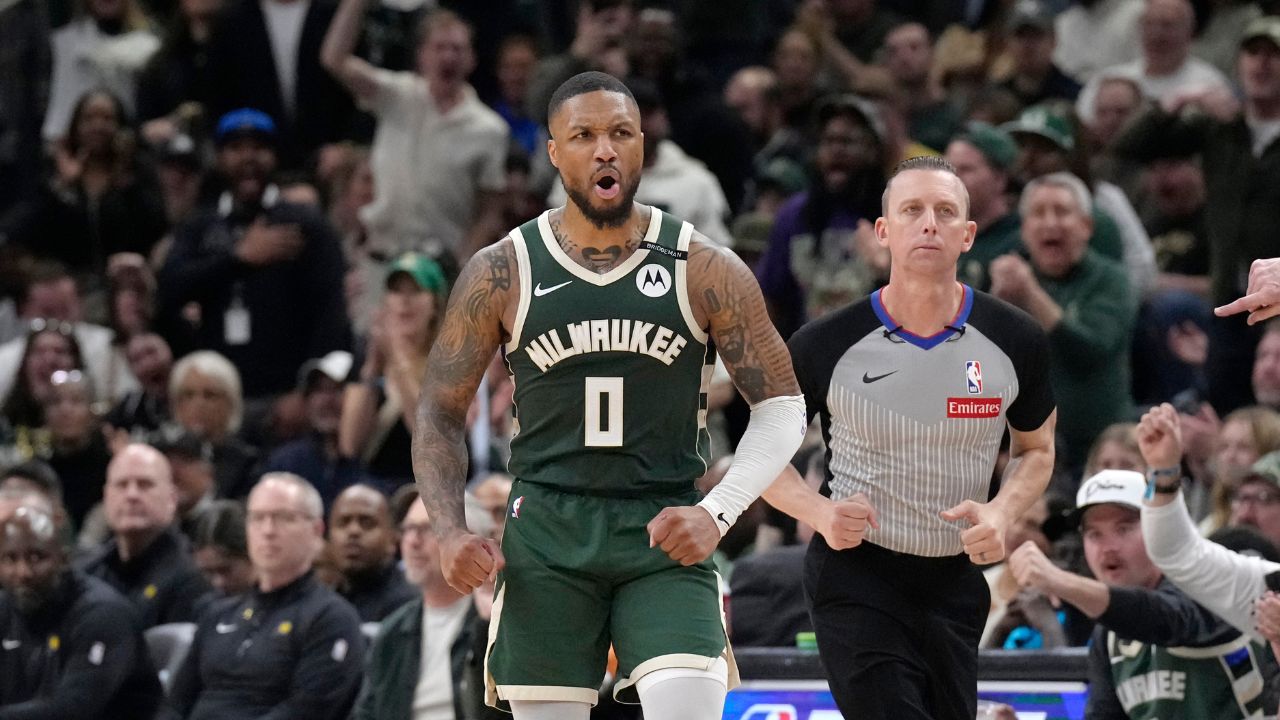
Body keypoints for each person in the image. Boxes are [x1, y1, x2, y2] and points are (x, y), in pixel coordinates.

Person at [411, 71, 806, 720]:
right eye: (584, 135)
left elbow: (784, 406)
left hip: (662, 524)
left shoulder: (704, 266)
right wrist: (450, 529)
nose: (604, 150)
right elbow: (439, 411)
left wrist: (719, 511)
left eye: (621, 133)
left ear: (643, 147)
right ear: (553, 151)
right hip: (546, 528)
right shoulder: (502, 270)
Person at [762, 156, 1057, 720]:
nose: (929, 224)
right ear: (883, 231)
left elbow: (1036, 450)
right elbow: (762, 458)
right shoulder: (824, 342)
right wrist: (818, 513)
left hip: (955, 579)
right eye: (912, 211)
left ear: (968, 235)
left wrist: (1001, 512)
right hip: (855, 575)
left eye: (946, 212)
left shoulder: (1015, 338)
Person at [1008, 469, 1267, 718]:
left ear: (1164, 528)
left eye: (1124, 529)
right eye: (1094, 534)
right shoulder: (1108, 634)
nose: (1108, 548)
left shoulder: (1211, 585)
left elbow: (1165, 618)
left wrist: (1062, 582)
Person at [166, 472, 365, 719]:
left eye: (284, 518)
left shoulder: (331, 619)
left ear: (316, 531)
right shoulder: (216, 614)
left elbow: (306, 712)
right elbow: (175, 704)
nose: (268, 530)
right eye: (258, 518)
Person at [0, 498, 164, 718]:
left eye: (36, 557)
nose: (23, 572)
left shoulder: (103, 614)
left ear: (65, 559)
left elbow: (74, 710)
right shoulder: (5, 608)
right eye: (10, 559)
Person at [350, 485, 499, 720]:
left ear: (469, 541)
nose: (412, 541)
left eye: (428, 529)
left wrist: (485, 627)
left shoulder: (497, 621)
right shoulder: (392, 631)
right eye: (408, 529)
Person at [81, 443, 211, 627]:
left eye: (145, 484)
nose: (131, 495)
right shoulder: (85, 571)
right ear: (106, 497)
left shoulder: (193, 579)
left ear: (171, 499)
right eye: (121, 485)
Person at [328, 483, 415, 622]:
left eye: (367, 523)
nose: (353, 531)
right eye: (343, 523)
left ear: (393, 537)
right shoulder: (321, 606)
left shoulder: (411, 604)